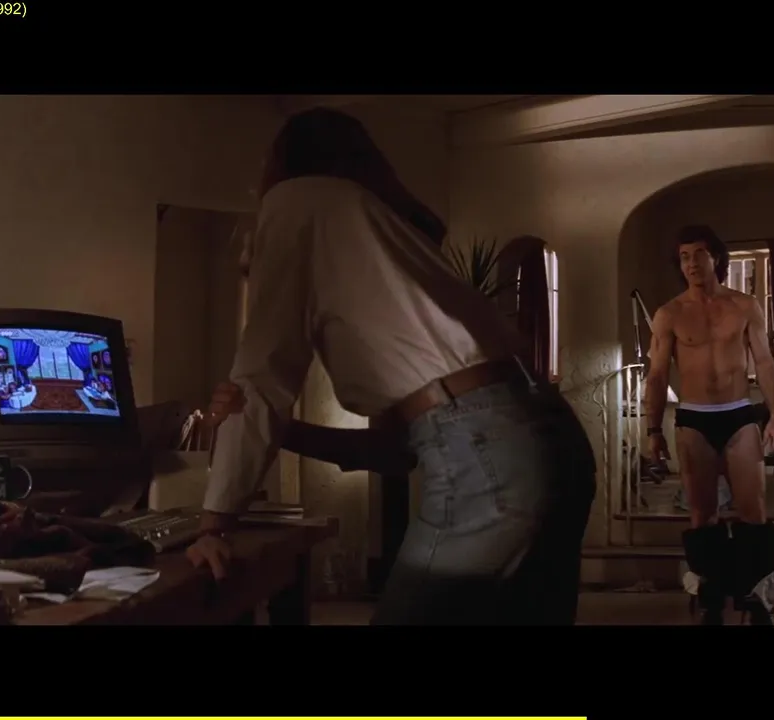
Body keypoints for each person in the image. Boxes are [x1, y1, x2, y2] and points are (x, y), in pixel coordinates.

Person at [185, 107, 596, 625]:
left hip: (490, 449)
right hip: (553, 439)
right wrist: (281, 431)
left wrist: (213, 525)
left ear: (282, 160)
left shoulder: (295, 200)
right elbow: (397, 452)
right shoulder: (390, 236)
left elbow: (261, 375)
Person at [644, 224, 774, 625]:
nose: (691, 263)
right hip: (694, 418)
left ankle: (756, 598)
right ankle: (711, 598)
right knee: (702, 515)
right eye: (684, 256)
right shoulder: (669, 314)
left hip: (739, 413)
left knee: (753, 511)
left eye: (699, 254)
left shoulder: (745, 305)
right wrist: (653, 430)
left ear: (716, 258)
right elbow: (657, 375)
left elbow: (764, 362)